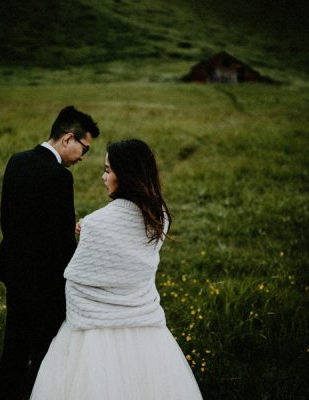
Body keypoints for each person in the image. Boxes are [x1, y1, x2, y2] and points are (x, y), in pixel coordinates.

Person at [30, 139, 203, 399]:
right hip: (145, 324)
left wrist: (87, 231)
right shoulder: (159, 218)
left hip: (93, 331)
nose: (103, 176)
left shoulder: (97, 223)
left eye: (108, 170)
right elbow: (130, 262)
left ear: (127, 175)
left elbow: (78, 281)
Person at [0, 105, 100, 400]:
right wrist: (74, 277)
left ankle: (6, 391)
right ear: (67, 139)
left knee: (14, 342)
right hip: (46, 280)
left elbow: (6, 219)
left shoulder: (17, 161)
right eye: (84, 149)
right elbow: (62, 240)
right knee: (45, 348)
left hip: (15, 269)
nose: (83, 158)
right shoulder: (59, 177)